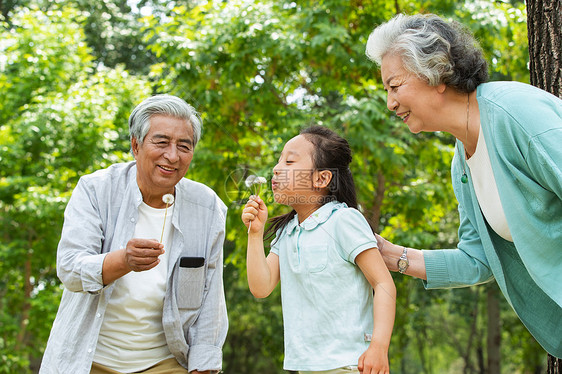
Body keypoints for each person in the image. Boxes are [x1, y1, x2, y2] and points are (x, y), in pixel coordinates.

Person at [365, 13, 562, 358]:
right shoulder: (462, 162)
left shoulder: (515, 112)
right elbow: (479, 260)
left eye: (394, 86)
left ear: (436, 72)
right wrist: (390, 255)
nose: (390, 102)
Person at [40, 95, 228, 374]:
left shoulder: (207, 206)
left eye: (184, 146)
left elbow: (210, 299)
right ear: (135, 145)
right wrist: (123, 261)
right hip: (89, 359)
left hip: (166, 361)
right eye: (161, 142)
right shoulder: (96, 190)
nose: (173, 156)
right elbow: (69, 267)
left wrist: (203, 366)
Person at [241, 126, 396, 374]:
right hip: (306, 367)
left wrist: (379, 346)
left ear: (321, 179)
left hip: (350, 364)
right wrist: (255, 233)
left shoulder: (343, 221)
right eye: (279, 160)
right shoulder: (287, 231)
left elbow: (383, 284)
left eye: (290, 161)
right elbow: (261, 287)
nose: (276, 168)